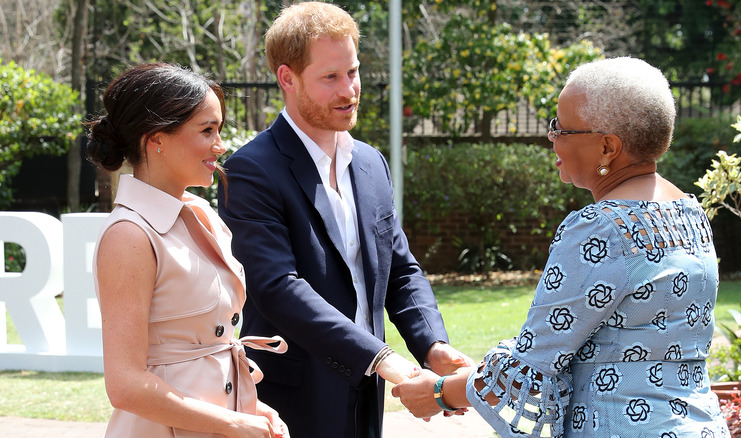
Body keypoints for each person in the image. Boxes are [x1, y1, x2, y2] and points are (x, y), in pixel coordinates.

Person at [391, 57, 731, 438]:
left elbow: (533, 364)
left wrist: (439, 392)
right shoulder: (689, 212)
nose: (551, 138)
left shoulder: (601, 227)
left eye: (561, 129)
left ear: (607, 147)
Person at [217, 2, 474, 437]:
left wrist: (433, 345)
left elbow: (400, 270)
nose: (349, 90)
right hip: (290, 401)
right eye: (330, 77)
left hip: (367, 396)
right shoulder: (249, 170)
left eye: (352, 72)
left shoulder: (371, 163)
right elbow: (277, 287)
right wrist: (380, 357)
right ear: (287, 78)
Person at [87, 63, 289, 438]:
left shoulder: (201, 213)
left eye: (219, 129)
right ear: (156, 139)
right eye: (207, 130)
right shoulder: (128, 235)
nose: (220, 144)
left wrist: (254, 410)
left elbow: (208, 352)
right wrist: (234, 423)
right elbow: (126, 384)